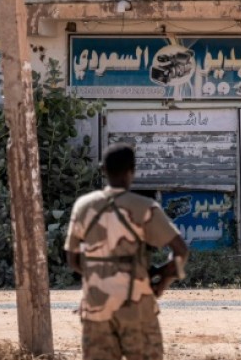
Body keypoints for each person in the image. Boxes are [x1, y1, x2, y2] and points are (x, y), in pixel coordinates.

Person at [65, 143, 189, 360]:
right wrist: (162, 281)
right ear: (132, 171)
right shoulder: (145, 207)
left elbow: (73, 259)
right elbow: (181, 250)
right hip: (137, 306)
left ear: (103, 170)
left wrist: (99, 277)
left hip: (95, 308)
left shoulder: (83, 206)